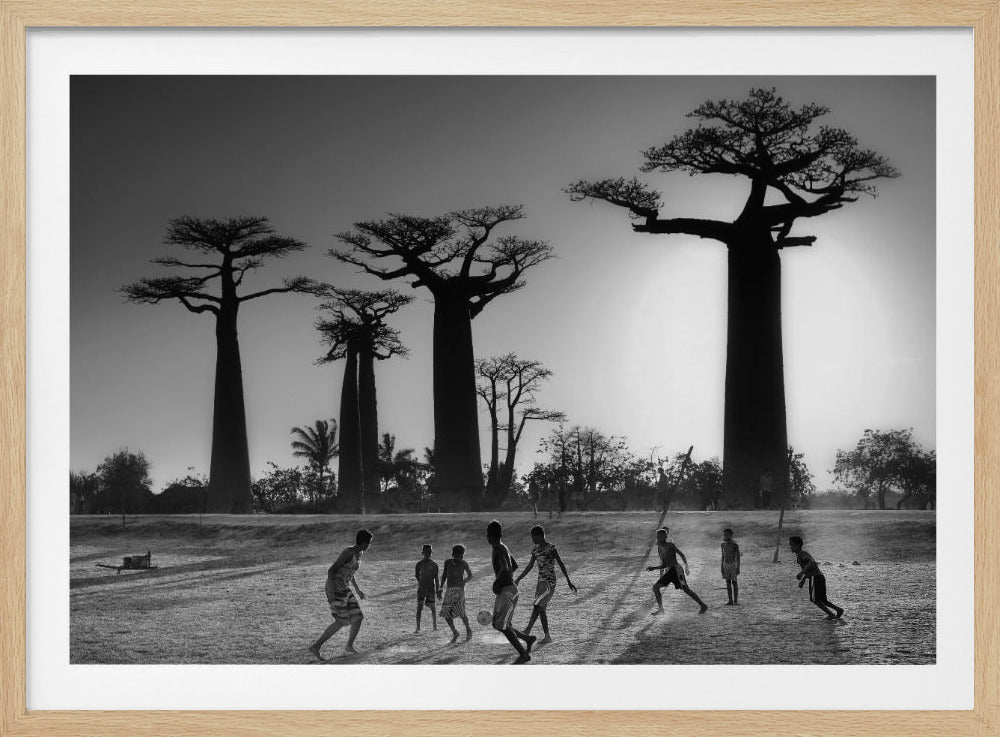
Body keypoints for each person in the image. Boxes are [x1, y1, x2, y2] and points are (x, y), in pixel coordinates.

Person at [309, 529, 372, 659]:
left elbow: (350, 573)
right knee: (341, 621)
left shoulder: (359, 553)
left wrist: (358, 590)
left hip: (344, 587)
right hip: (335, 588)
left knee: (358, 617)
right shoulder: (348, 552)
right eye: (369, 543)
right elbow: (331, 570)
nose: (369, 546)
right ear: (364, 542)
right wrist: (331, 591)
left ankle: (349, 646)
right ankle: (316, 646)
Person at [515, 525, 577, 643]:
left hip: (549, 583)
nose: (532, 539)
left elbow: (560, 563)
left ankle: (527, 630)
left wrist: (568, 580)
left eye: (533, 537)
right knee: (541, 609)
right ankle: (547, 636)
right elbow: (530, 566)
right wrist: (519, 578)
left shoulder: (551, 548)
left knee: (537, 605)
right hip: (540, 583)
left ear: (539, 536)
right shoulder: (535, 550)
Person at [487, 519, 536, 663]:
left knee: (501, 625)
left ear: (489, 535)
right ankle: (528, 638)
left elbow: (506, 568)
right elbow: (513, 565)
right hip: (508, 589)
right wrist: (504, 581)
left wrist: (497, 582)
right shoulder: (503, 547)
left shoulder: (498, 548)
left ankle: (524, 654)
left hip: (507, 591)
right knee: (498, 623)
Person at [646, 527, 709, 615]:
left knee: (686, 590)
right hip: (670, 571)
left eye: (660, 536)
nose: (658, 538)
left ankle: (703, 605)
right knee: (656, 588)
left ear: (665, 537)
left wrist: (686, 566)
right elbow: (664, 564)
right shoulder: (659, 548)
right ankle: (661, 609)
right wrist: (654, 568)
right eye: (657, 537)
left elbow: (681, 554)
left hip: (676, 570)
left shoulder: (670, 545)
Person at [789, 536, 844, 619]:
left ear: (797, 545)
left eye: (792, 545)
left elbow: (812, 563)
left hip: (815, 578)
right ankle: (838, 610)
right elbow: (810, 568)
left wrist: (801, 573)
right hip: (819, 577)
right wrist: (803, 580)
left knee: (815, 600)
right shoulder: (800, 555)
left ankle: (831, 614)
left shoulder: (802, 554)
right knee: (823, 600)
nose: (790, 547)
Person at [440, 544, 474, 642]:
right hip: (449, 591)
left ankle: (468, 630)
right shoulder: (448, 563)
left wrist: (464, 581)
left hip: (459, 591)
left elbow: (470, 575)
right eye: (458, 556)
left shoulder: (464, 564)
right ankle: (455, 632)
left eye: (462, 556)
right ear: (453, 554)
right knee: (446, 614)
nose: (460, 558)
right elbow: (444, 575)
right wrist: (441, 587)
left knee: (461, 612)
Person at [414, 544, 441, 632]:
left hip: (430, 589)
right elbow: (417, 575)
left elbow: (436, 579)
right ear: (422, 553)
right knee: (419, 607)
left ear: (431, 553)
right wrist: (422, 583)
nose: (428, 554)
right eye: (426, 552)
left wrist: (437, 591)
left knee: (433, 608)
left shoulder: (434, 565)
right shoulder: (419, 564)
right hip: (422, 589)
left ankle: (434, 626)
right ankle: (418, 628)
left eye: (429, 552)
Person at [720, 528, 741, 605]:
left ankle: (735, 600)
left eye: (726, 534)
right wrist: (721, 566)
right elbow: (723, 556)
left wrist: (738, 567)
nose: (725, 536)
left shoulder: (735, 545)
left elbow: (738, 557)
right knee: (727, 582)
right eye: (724, 534)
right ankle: (730, 600)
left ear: (731, 535)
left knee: (734, 582)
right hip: (725, 565)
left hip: (733, 565)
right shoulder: (723, 544)